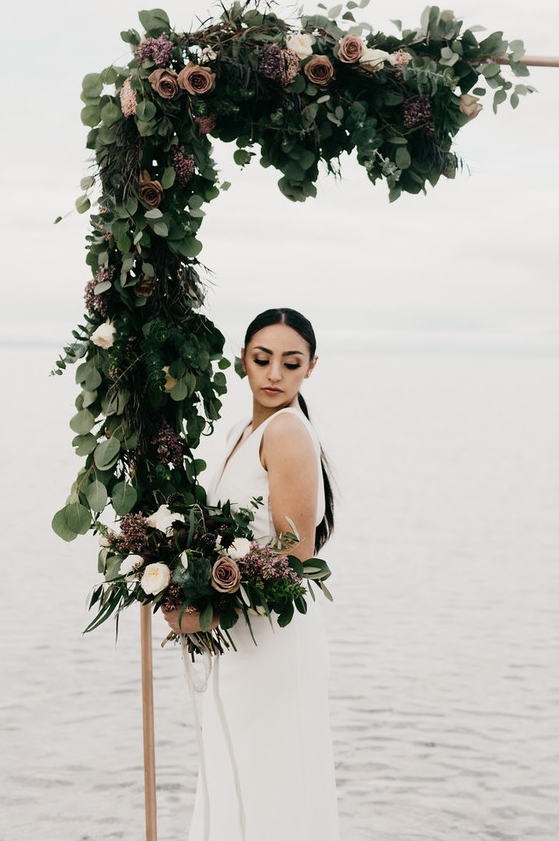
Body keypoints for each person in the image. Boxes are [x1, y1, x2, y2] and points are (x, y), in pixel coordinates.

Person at [163, 307, 339, 841]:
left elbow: (293, 558)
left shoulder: (287, 432)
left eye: (291, 363)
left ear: (311, 368)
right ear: (243, 359)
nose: (274, 375)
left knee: (265, 775)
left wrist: (203, 612)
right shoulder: (243, 429)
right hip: (239, 636)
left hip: (270, 641)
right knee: (232, 768)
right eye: (262, 360)